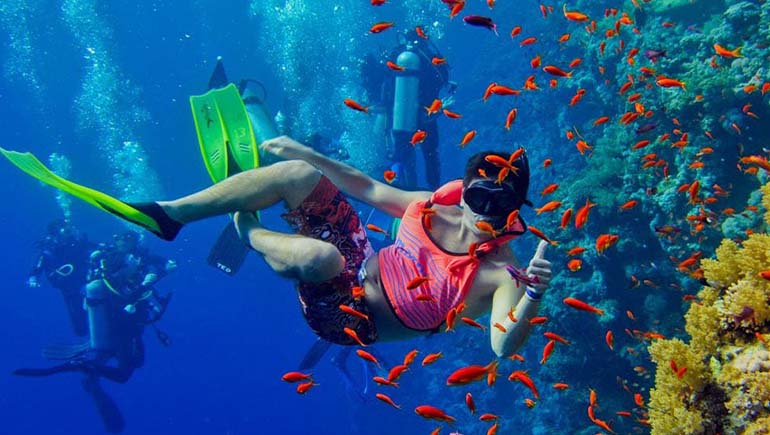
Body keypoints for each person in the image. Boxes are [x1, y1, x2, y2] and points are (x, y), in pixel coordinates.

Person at [2, 134, 551, 357]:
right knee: (293, 172)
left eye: (500, 207)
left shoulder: (501, 274)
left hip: (347, 317)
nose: (484, 214)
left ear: (515, 212)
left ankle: (248, 231)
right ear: (467, 187)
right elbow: (370, 188)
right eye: (480, 195)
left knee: (320, 257)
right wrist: (305, 154)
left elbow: (503, 347)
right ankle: (169, 215)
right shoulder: (438, 202)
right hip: (360, 255)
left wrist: (531, 298)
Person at [14, 231, 176, 432]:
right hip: (122, 327)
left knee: (122, 359)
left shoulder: (131, 262)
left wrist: (156, 276)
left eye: (129, 239)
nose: (126, 245)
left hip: (127, 326)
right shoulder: (111, 264)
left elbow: (157, 275)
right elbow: (119, 294)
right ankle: (84, 367)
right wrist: (142, 282)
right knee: (123, 373)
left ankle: (90, 373)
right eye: (122, 239)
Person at [361, 29, 457, 190]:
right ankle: (435, 194)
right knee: (430, 155)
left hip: (398, 116)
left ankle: (404, 194)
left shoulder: (396, 55)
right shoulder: (427, 55)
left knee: (404, 156)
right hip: (426, 115)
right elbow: (441, 78)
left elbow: (382, 84)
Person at [27, 219, 94, 336]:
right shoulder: (49, 249)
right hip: (68, 285)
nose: (69, 233)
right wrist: (33, 278)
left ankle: (100, 335)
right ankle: (84, 335)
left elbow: (94, 247)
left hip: (86, 281)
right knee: (77, 311)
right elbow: (38, 265)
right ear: (56, 233)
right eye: (65, 230)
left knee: (95, 305)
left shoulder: (78, 243)